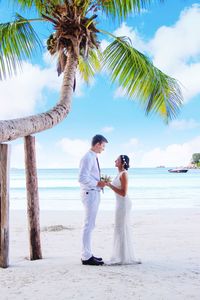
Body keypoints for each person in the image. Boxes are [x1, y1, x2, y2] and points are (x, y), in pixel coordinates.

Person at [106, 155, 141, 265]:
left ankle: (123, 257)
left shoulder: (124, 174)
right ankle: (120, 255)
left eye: (117, 160)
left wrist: (109, 185)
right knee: (119, 227)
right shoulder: (119, 173)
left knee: (121, 228)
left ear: (122, 163)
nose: (115, 160)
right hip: (119, 203)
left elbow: (123, 193)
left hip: (123, 204)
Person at [79, 134, 108, 266]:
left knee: (91, 225)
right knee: (88, 225)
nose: (103, 148)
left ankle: (88, 253)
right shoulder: (87, 157)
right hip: (90, 193)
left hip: (93, 192)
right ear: (97, 144)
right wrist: (97, 184)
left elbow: (90, 176)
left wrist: (99, 182)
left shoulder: (93, 157)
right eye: (103, 146)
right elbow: (82, 178)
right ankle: (86, 257)